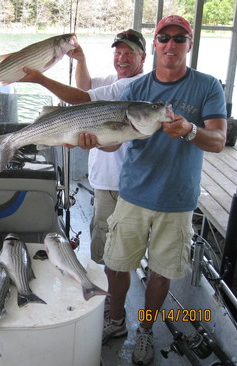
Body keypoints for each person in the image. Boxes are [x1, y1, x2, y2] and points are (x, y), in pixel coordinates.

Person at [80, 16, 226, 365]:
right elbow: (114, 146)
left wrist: (190, 130)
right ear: (156, 44)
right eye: (164, 38)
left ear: (189, 44)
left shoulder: (207, 87)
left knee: (161, 272)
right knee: (116, 265)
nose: (171, 45)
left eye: (179, 38)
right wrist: (93, 140)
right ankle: (116, 321)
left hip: (177, 200)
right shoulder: (136, 89)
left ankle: (145, 330)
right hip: (133, 195)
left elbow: (219, 141)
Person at [20, 30, 146, 263]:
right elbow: (86, 85)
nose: (122, 58)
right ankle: (109, 286)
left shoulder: (133, 86)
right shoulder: (114, 80)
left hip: (119, 182)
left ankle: (111, 292)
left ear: (143, 57)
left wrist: (41, 79)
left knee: (113, 248)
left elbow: (81, 98)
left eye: (130, 53)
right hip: (103, 179)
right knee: (103, 238)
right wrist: (81, 60)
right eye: (118, 52)